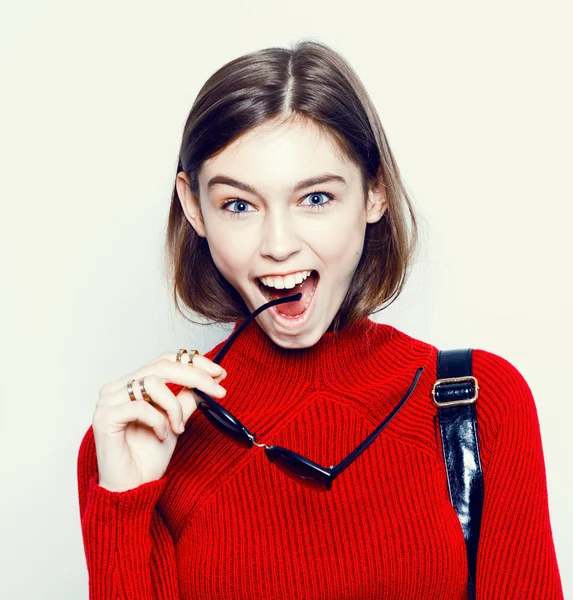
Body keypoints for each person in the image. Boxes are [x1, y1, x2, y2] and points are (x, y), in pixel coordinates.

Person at [76, 40, 564, 599]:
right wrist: (124, 505)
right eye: (239, 205)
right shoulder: (135, 440)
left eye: (316, 199)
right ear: (193, 208)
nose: (279, 246)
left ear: (374, 193)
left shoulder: (480, 402)